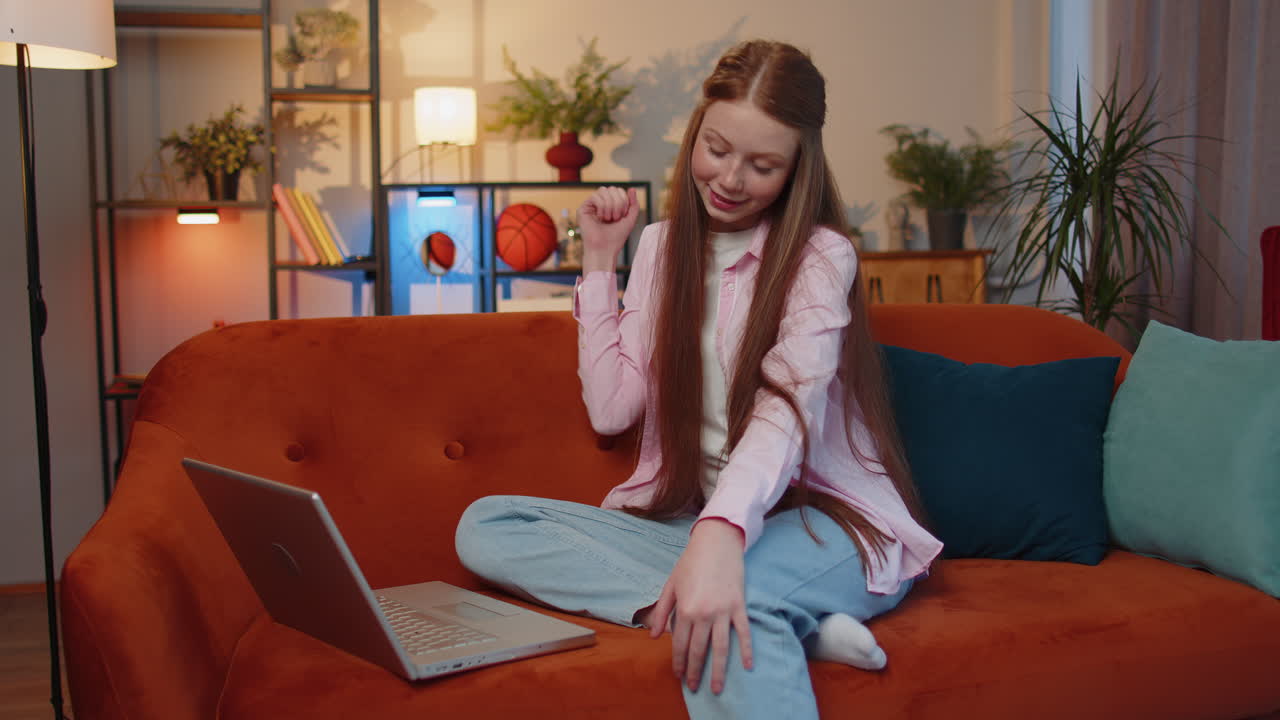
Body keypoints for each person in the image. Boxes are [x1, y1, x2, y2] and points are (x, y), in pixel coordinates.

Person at [455, 39, 942, 719]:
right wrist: (600, 262)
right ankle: (793, 623)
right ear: (696, 133)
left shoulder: (821, 257)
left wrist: (720, 536)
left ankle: (763, 606)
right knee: (489, 524)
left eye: (763, 164)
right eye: (717, 148)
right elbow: (612, 410)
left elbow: (786, 412)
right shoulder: (660, 247)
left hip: (819, 521)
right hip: (691, 523)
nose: (732, 179)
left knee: (745, 595)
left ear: (798, 168)